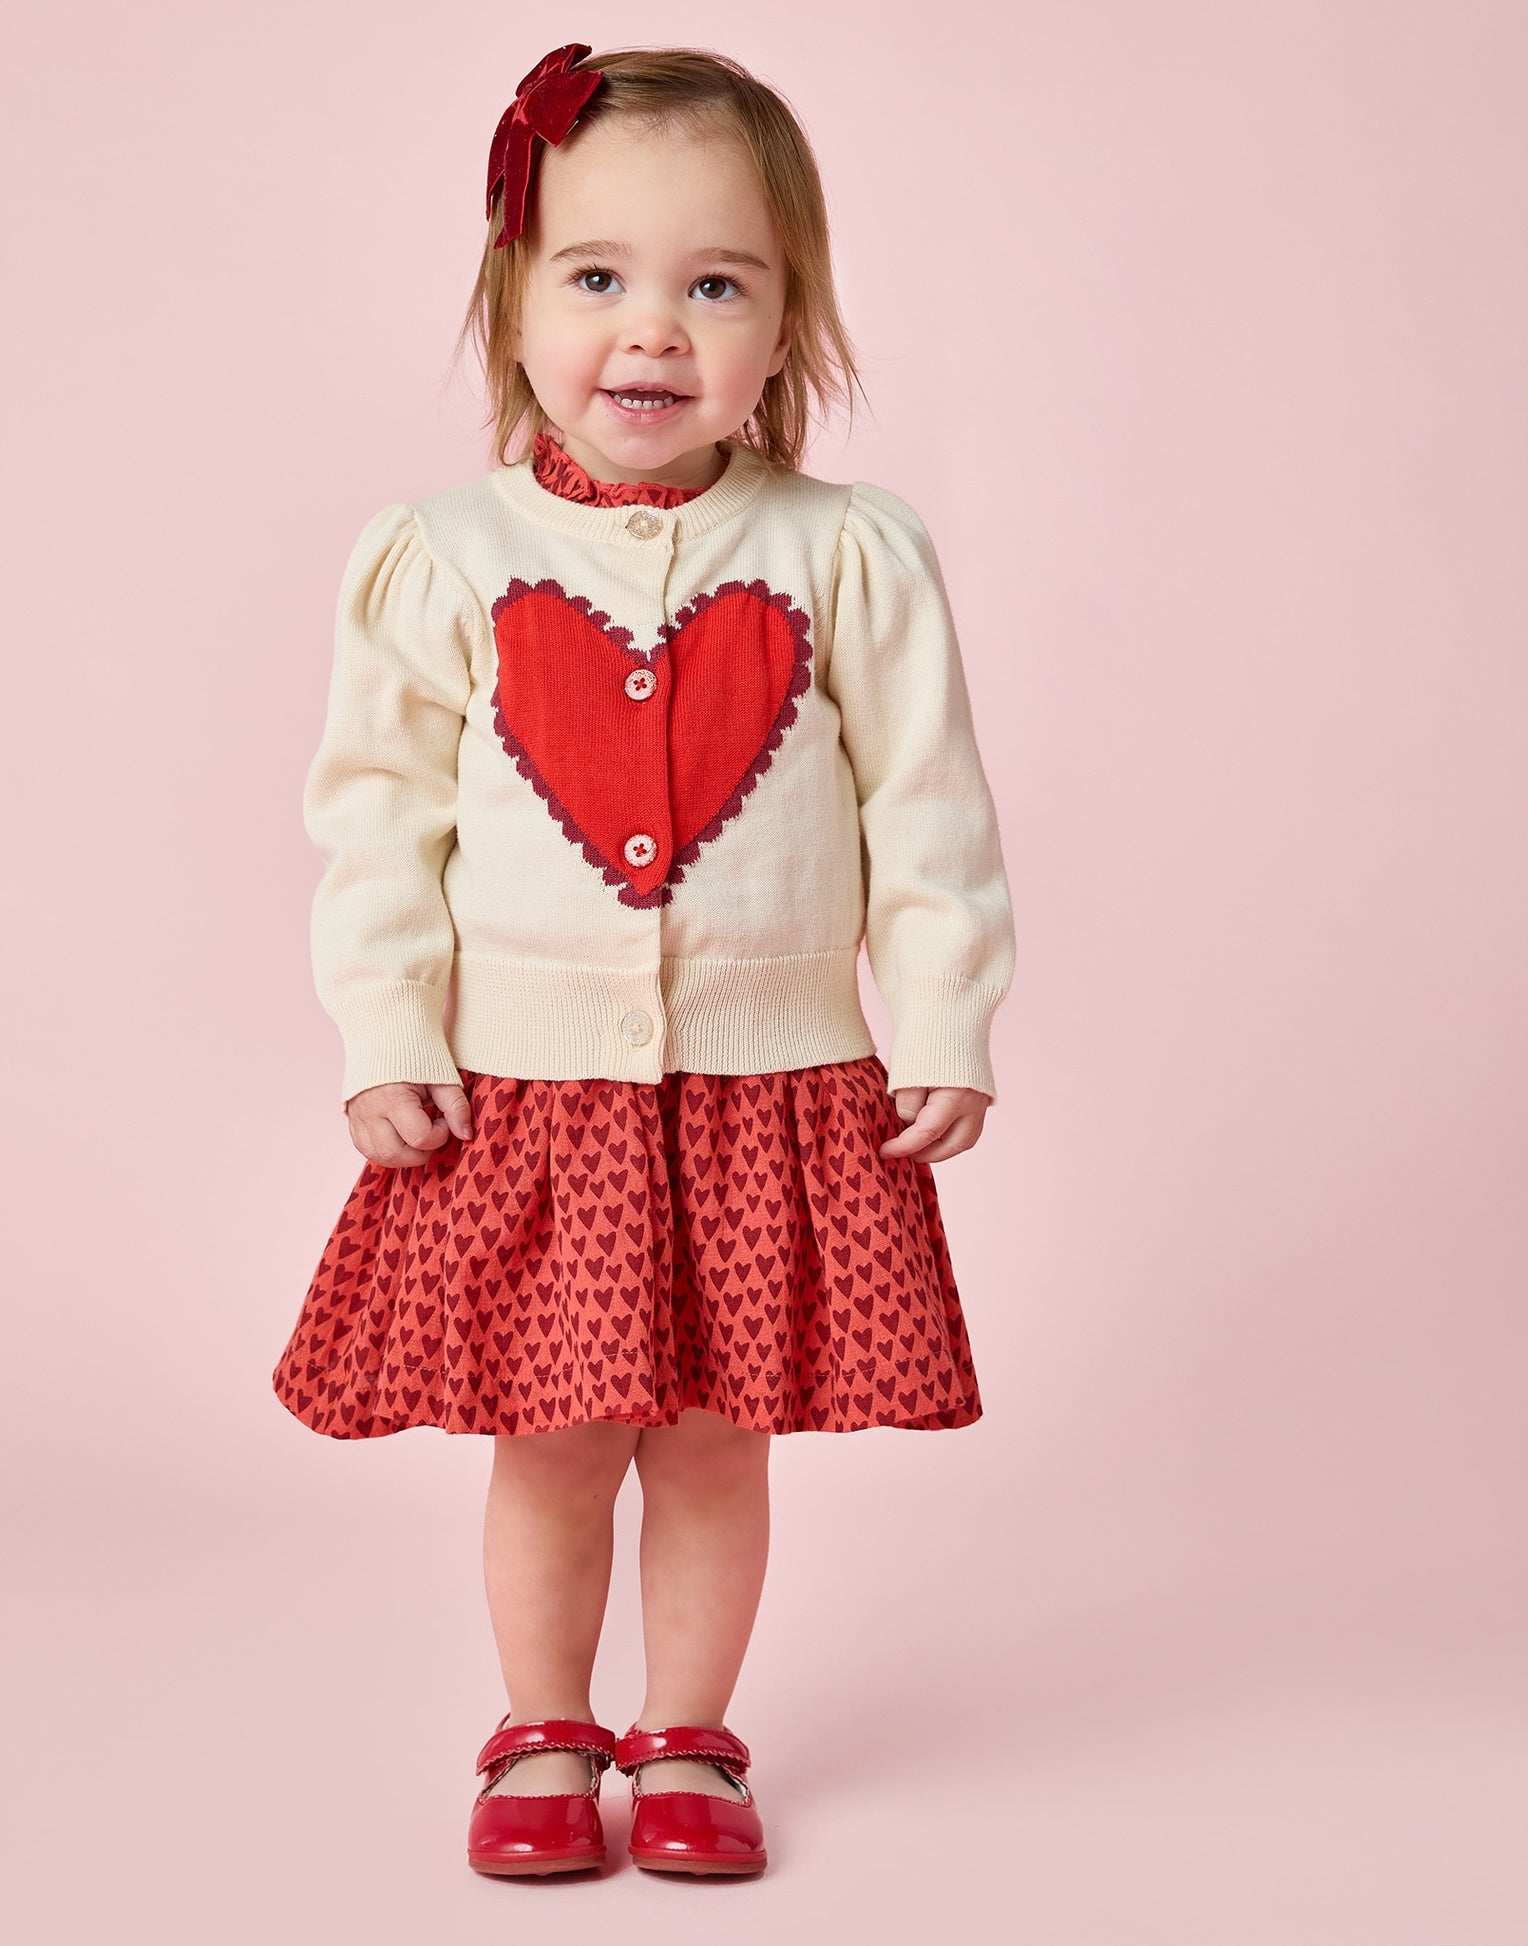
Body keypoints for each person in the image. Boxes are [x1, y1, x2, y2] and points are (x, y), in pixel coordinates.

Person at [271, 42, 1018, 1880]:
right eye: (595, 277)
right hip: (533, 1095)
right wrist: (383, 1026)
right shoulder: (438, 559)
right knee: (553, 1437)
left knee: (708, 1442)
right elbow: (376, 824)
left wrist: (943, 1019)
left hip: (772, 1086)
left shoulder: (851, 553)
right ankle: (541, 1727)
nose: (651, 331)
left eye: (716, 284)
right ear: (509, 299)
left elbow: (930, 813)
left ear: (790, 323)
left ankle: (687, 1730)